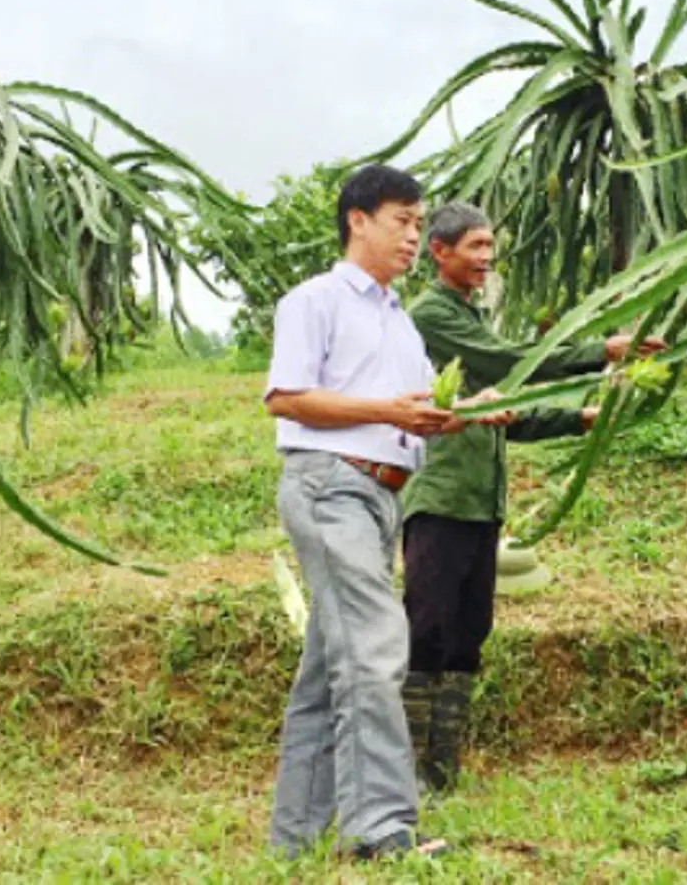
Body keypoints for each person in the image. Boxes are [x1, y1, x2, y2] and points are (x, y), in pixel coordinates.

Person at [262, 166, 506, 861]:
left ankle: (295, 840)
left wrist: (452, 419)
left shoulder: (398, 321)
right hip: (329, 486)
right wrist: (389, 412)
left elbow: (410, 412)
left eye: (415, 220)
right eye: (402, 220)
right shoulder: (316, 301)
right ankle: (380, 834)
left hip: (380, 497)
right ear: (357, 221)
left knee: (331, 666)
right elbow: (287, 397)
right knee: (374, 652)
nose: (412, 235)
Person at [398, 201, 665, 792]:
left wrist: (584, 418)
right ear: (438, 252)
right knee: (429, 629)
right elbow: (510, 363)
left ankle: (440, 770)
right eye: (474, 247)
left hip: (480, 500)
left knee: (469, 632)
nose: (486, 259)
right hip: (440, 495)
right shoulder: (433, 316)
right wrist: (602, 351)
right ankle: (407, 766)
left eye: (490, 247)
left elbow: (505, 415)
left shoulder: (467, 319)